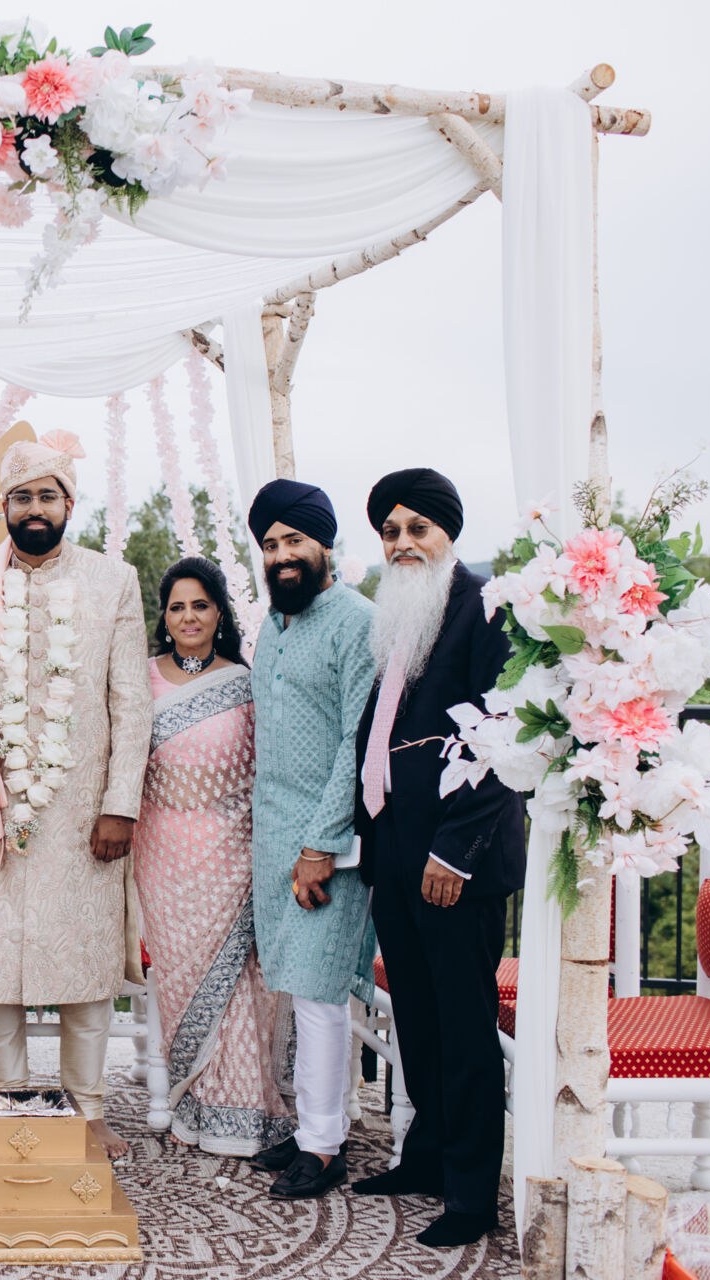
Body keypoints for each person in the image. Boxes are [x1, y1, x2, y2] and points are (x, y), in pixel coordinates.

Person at [0, 429, 151, 1161]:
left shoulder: (113, 580)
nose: (34, 509)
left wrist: (120, 804)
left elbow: (131, 701)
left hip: (83, 813)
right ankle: (8, 1109)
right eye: (20, 497)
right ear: (1, 507)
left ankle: (87, 1113)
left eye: (46, 496)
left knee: (86, 966)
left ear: (69, 504)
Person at [350, 468, 524, 1247]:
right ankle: (425, 1158)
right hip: (393, 847)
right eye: (390, 532)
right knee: (416, 1019)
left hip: (455, 859)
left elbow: (509, 738)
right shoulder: (402, 614)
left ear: (448, 532)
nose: (402, 544)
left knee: (463, 1027)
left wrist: (454, 853)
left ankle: (471, 1195)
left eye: (417, 529)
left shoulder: (486, 608)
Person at [244, 478, 377, 1200]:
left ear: (325, 543)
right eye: (270, 544)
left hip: (328, 847)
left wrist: (322, 844)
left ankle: (324, 1149)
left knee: (322, 995)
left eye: (294, 540)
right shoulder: (275, 624)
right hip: (275, 840)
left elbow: (359, 743)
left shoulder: (358, 622)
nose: (282, 555)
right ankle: (308, 1130)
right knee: (296, 990)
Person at [134, 556, 293, 1156]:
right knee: (181, 978)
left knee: (240, 981)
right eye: (177, 607)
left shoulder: (245, 683)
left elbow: (268, 771)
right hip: (162, 851)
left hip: (234, 852)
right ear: (164, 617)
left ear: (219, 612)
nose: (188, 617)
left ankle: (242, 1108)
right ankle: (192, 1101)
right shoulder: (141, 679)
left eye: (200, 605)